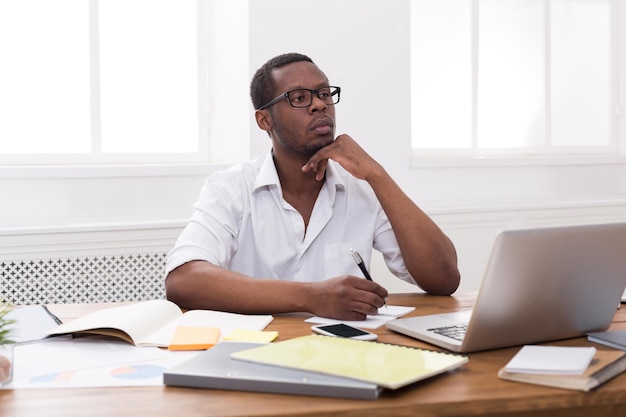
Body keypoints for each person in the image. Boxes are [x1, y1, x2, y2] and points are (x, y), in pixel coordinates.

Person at [165, 52, 460, 320]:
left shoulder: (362, 187)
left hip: (344, 353)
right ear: (264, 120)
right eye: (299, 98)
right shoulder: (231, 188)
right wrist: (311, 296)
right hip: (256, 352)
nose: (319, 104)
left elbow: (444, 279)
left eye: (323, 94)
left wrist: (377, 175)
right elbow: (183, 280)